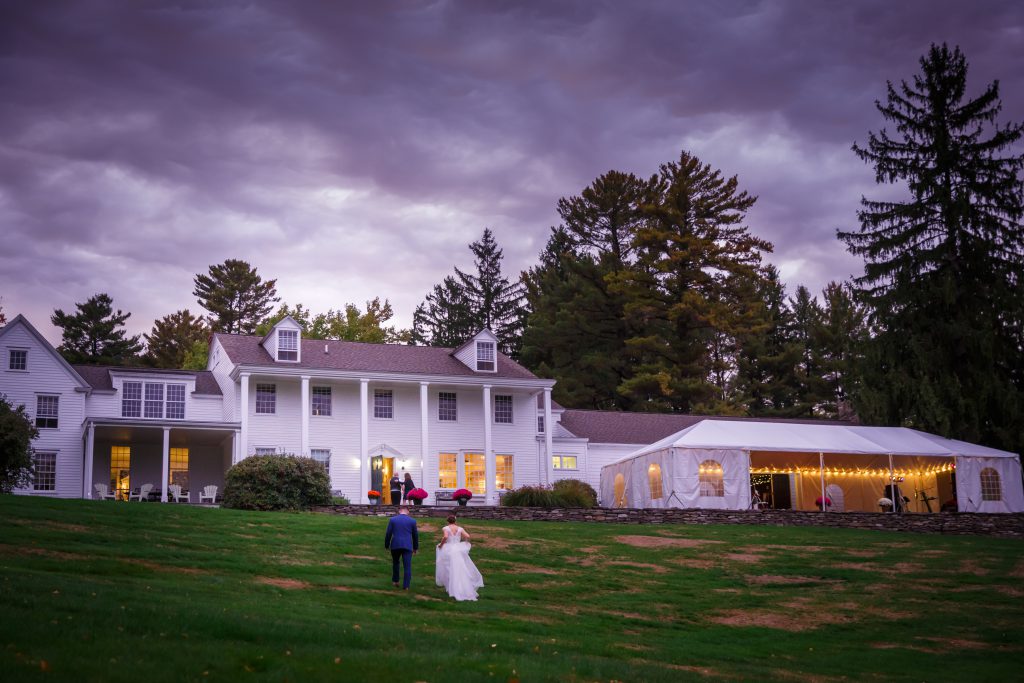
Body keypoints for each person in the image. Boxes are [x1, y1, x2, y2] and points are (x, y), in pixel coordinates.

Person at [435, 514, 484, 601]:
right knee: (459, 568)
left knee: (449, 568)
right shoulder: (460, 528)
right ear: (455, 521)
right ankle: (459, 587)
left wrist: (441, 545)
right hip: (458, 548)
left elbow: (446, 537)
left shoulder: (445, 528)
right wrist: (465, 543)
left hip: (449, 549)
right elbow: (468, 536)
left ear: (447, 521)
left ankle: (452, 587)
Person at [384, 505, 419, 590]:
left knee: (396, 563)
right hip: (407, 545)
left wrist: (386, 545)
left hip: (395, 544)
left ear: (399, 511)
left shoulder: (393, 520)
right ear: (408, 511)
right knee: (407, 565)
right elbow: (415, 536)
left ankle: (395, 581)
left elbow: (388, 533)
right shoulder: (412, 521)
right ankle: (406, 586)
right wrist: (415, 547)